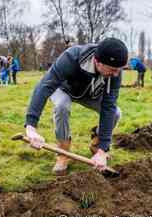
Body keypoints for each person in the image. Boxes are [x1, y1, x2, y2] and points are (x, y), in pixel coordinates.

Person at [24, 38, 128, 175]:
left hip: (90, 94)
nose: (116, 74)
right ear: (98, 62)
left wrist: (103, 149)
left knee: (115, 113)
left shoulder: (115, 72)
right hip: (64, 89)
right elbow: (45, 86)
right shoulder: (71, 57)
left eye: (119, 70)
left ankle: (96, 145)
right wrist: (31, 127)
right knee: (62, 106)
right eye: (113, 70)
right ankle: (63, 153)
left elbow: (109, 106)